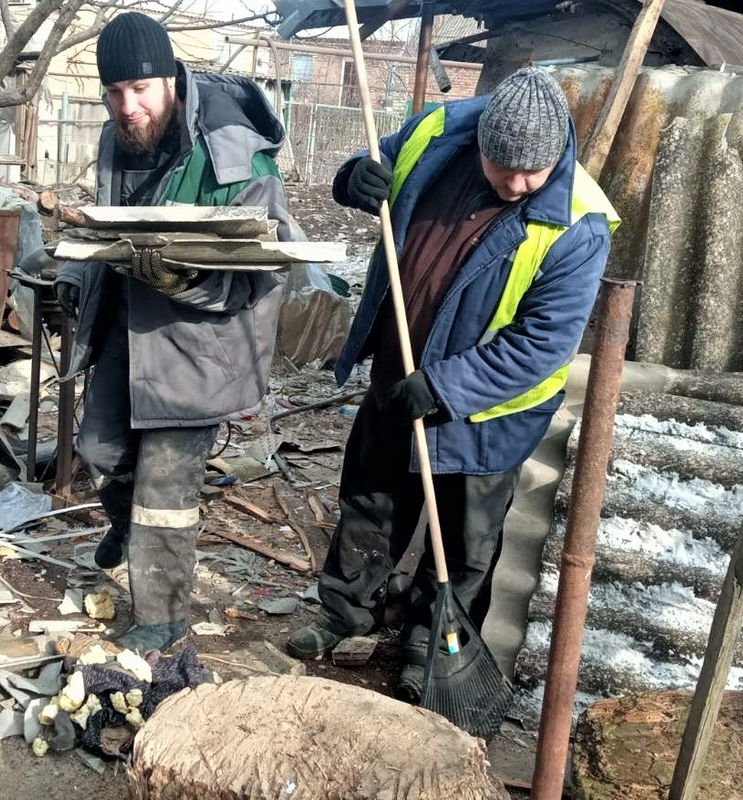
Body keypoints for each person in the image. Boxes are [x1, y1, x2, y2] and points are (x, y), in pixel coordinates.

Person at [285, 68, 619, 700]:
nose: (517, 184)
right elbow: (374, 161)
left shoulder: (578, 224)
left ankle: (430, 642)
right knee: (371, 504)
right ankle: (345, 612)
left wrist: (445, 387)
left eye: (533, 173)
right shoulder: (437, 133)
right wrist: (354, 177)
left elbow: (542, 346)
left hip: (485, 413)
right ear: (481, 144)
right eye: (503, 167)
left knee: (465, 544)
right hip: (397, 371)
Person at [53, 12, 298, 654]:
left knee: (165, 487)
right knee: (100, 450)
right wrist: (75, 277)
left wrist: (180, 283)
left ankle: (160, 617)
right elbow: (109, 228)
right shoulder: (119, 136)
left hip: (203, 341)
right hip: (130, 326)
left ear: (172, 78)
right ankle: (127, 526)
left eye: (141, 90)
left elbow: (263, 276)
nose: (127, 108)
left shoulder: (235, 154)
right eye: (114, 93)